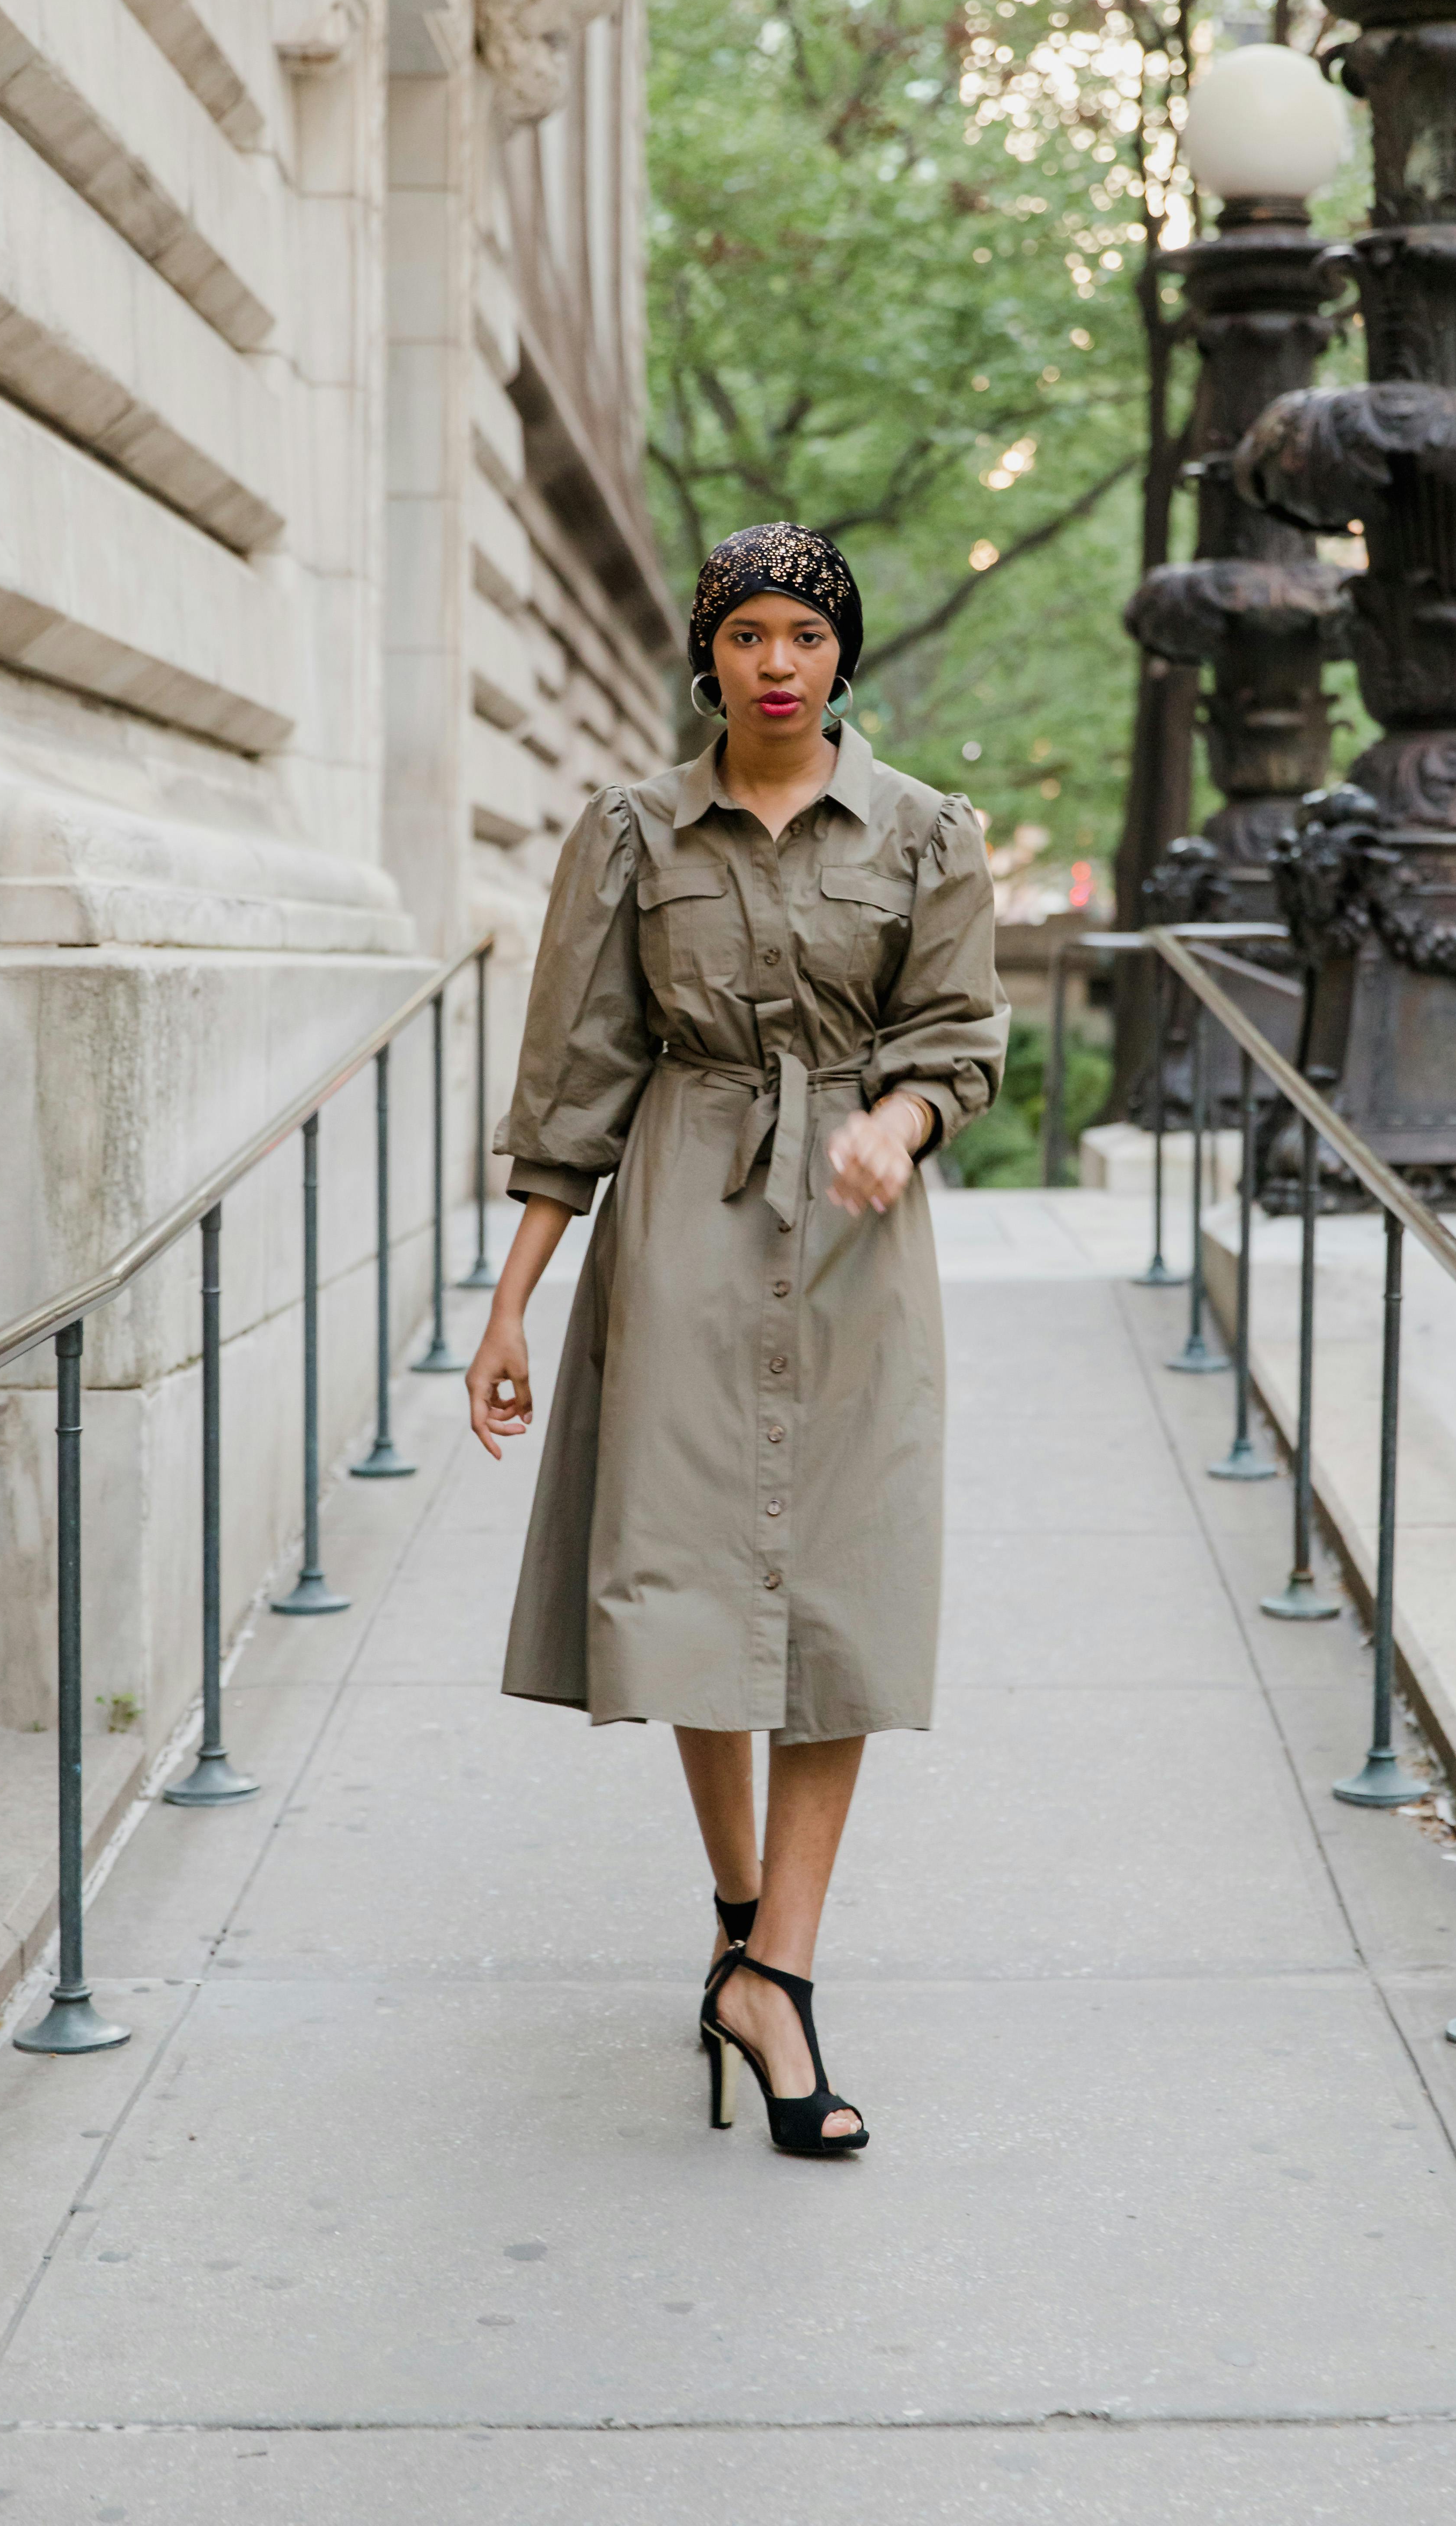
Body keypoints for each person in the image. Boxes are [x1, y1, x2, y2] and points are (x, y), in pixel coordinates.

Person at [466, 524, 1008, 2155]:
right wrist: (511, 1305)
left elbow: (960, 1038)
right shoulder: (630, 833)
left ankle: (777, 1971)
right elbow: (578, 1079)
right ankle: (740, 1916)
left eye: (806, 634)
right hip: (683, 1228)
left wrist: (896, 1126)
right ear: (709, 656)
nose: (777, 660)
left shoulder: (926, 833)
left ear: (846, 656)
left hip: (855, 1242)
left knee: (840, 1589)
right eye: (748, 633)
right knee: (699, 1580)